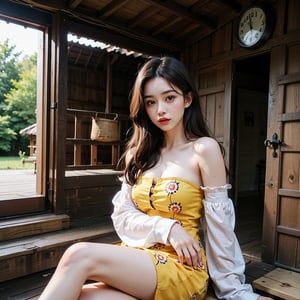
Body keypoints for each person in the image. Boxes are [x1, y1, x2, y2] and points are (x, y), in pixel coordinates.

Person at [39, 57, 273, 300]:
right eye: (151, 102)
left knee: (78, 254)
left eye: (169, 97)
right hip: (138, 257)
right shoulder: (137, 153)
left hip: (181, 265)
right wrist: (168, 228)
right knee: (82, 296)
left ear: (187, 99)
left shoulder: (204, 149)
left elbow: (220, 227)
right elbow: (122, 217)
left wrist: (234, 291)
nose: (160, 109)